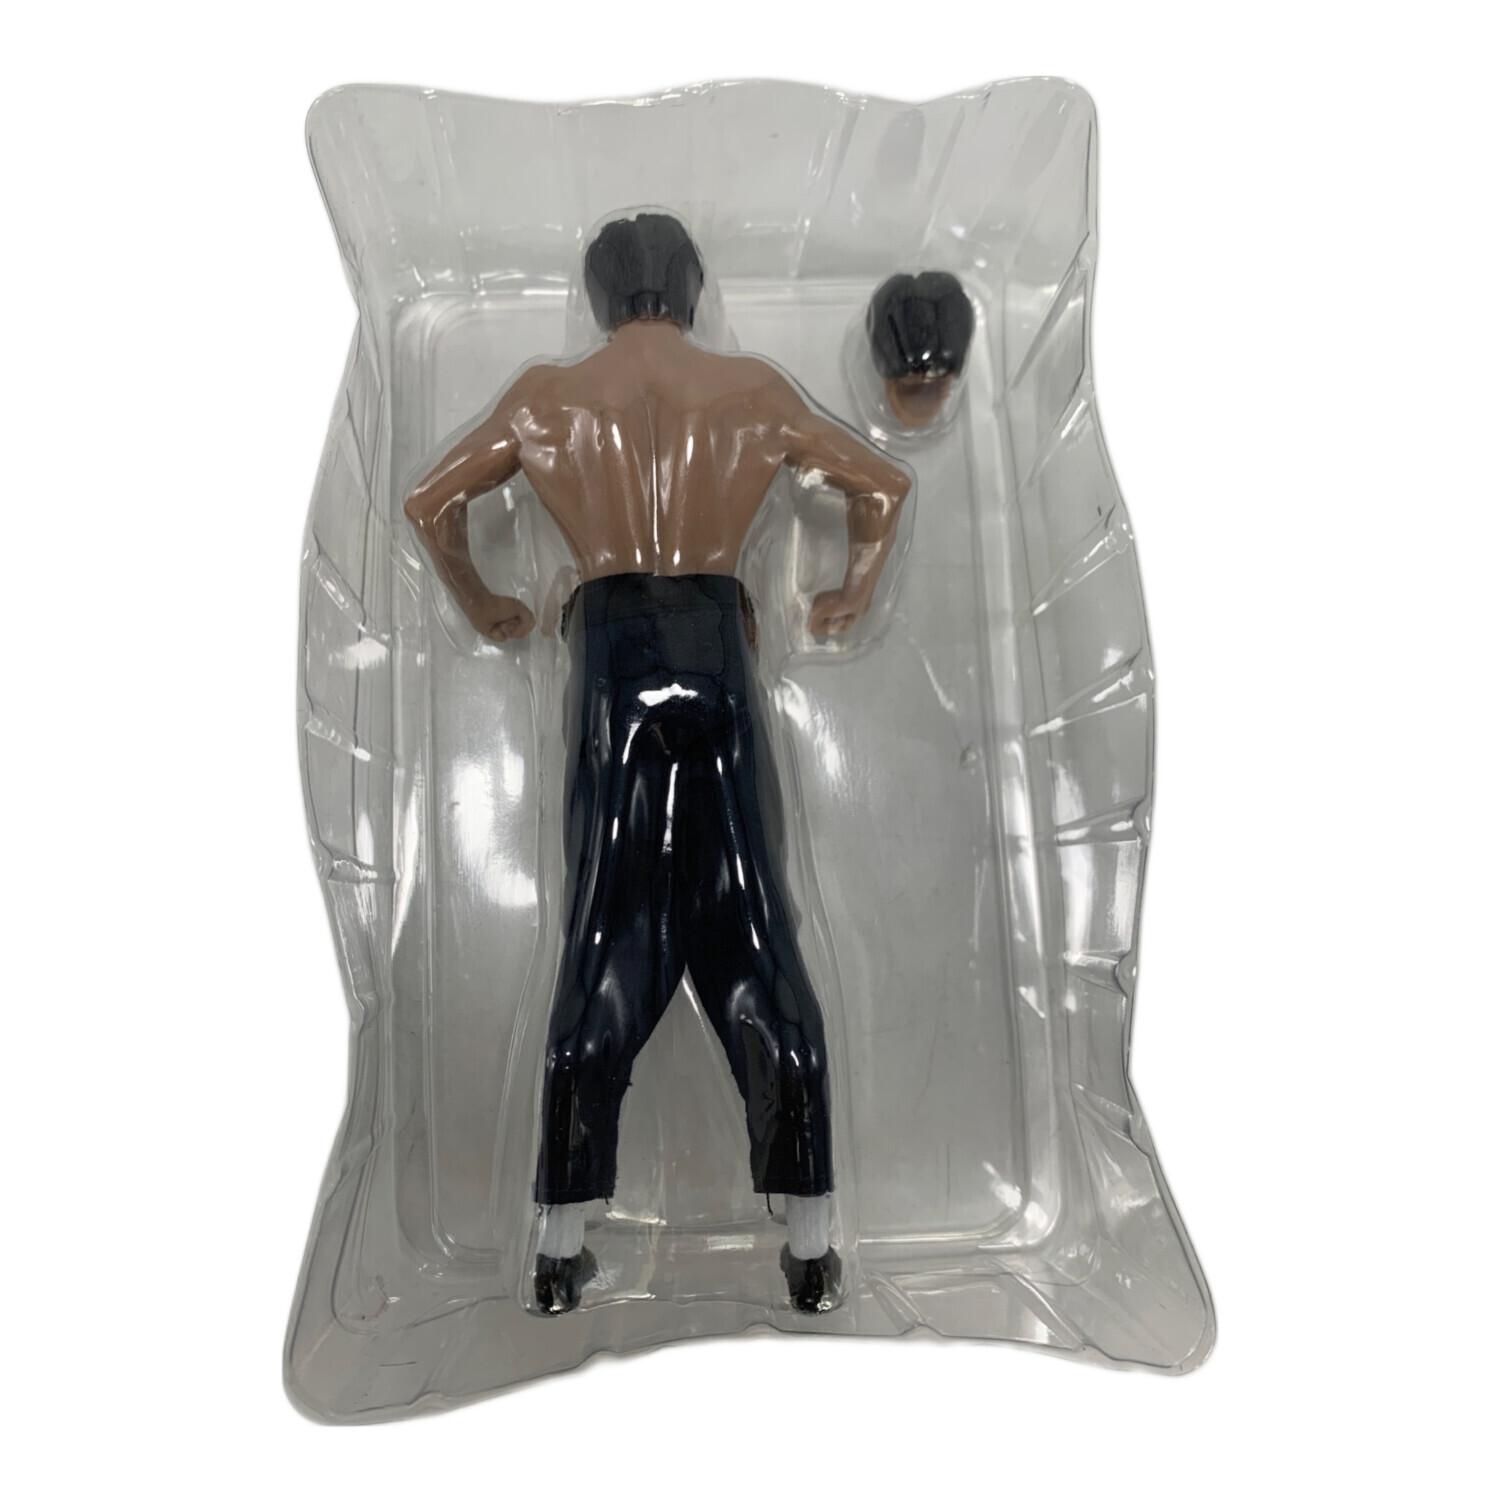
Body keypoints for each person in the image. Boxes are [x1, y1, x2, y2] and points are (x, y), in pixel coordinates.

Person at [405, 212, 911, 1316]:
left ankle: (558, 1240)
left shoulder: (550, 397)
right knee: (755, 916)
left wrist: (485, 601)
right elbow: (883, 485)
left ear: (599, 295)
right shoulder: (751, 389)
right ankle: (811, 1238)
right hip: (717, 642)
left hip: (610, 658)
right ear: (690, 288)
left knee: (603, 921)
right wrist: (846, 593)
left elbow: (430, 502)